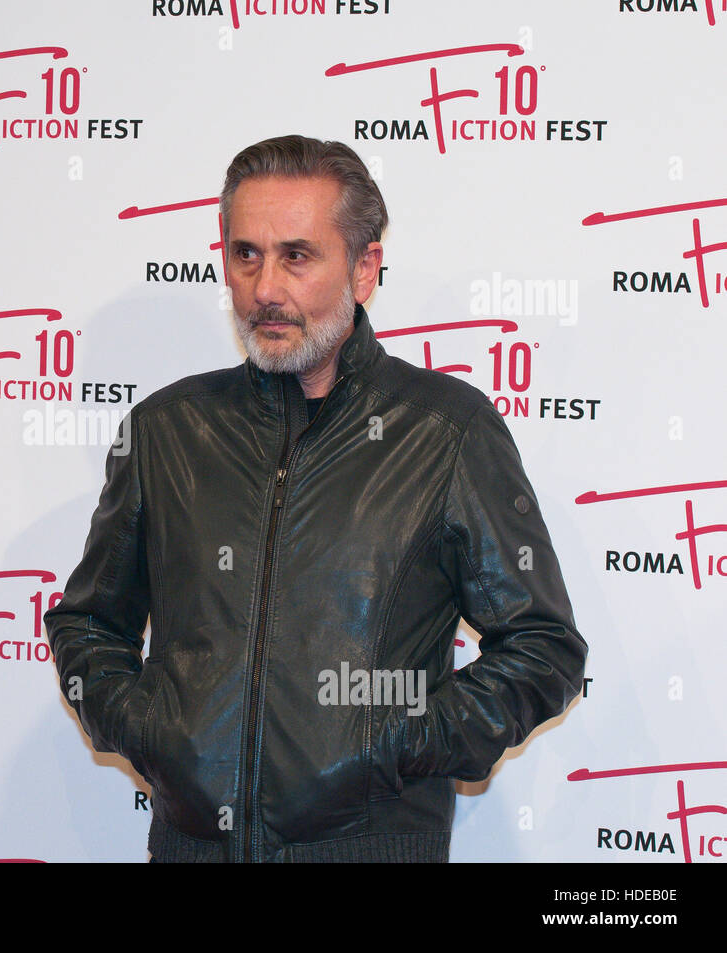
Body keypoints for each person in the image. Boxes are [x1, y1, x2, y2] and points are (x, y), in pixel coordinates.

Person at [43, 134, 587, 863]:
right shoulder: (166, 431)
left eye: (296, 256)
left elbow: (544, 649)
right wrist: (152, 731)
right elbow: (88, 624)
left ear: (364, 268)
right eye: (246, 254)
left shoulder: (445, 432)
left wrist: (395, 743)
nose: (265, 287)